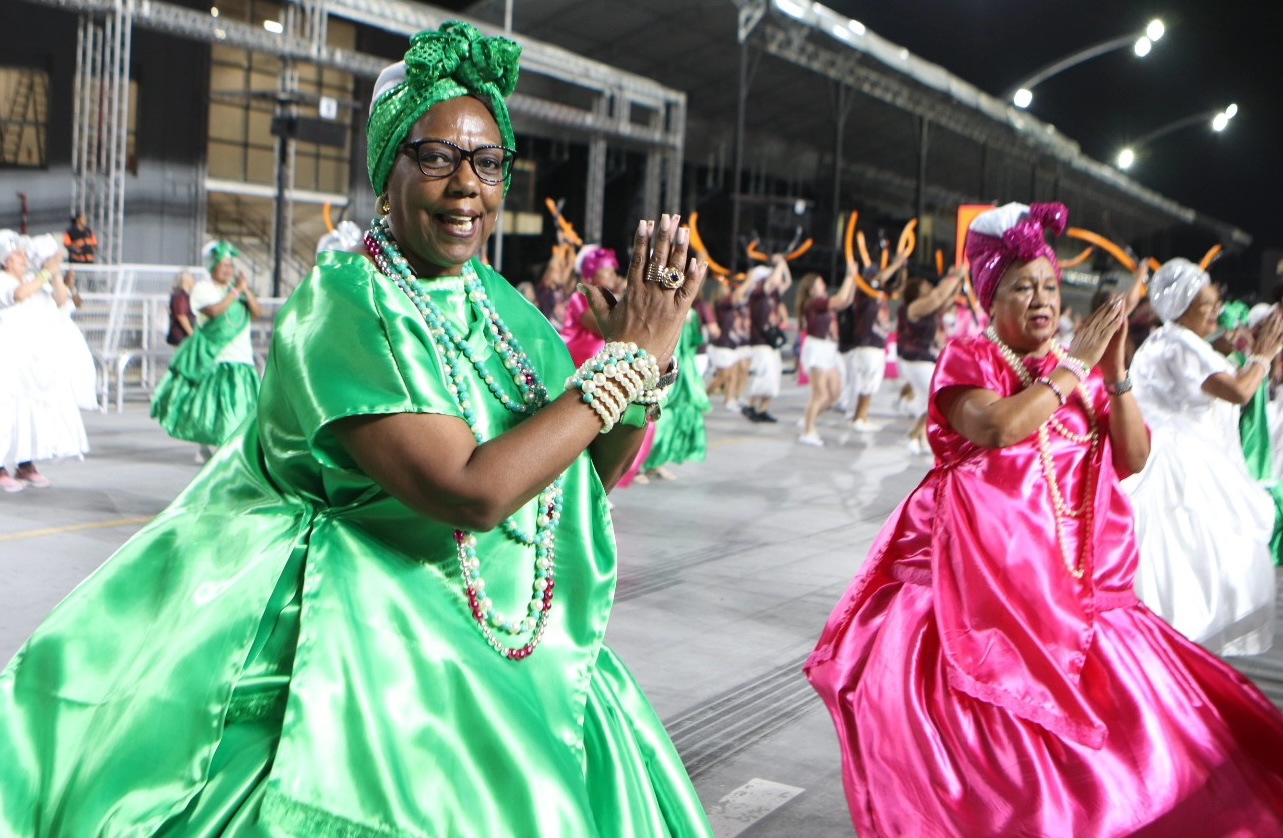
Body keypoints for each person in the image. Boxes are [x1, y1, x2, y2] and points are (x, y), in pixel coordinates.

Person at [0, 23, 713, 836]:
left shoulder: (507, 311)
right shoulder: (344, 301)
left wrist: (642, 376)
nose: (465, 187)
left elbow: (578, 477)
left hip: (507, 644)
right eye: (436, 157)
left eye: (487, 162)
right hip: (364, 656)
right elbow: (469, 492)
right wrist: (621, 364)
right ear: (387, 171)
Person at [806, 202, 1283, 837]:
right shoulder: (969, 357)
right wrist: (1075, 367)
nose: (1042, 300)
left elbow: (1133, 458)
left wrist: (1113, 377)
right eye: (1022, 287)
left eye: (1050, 287)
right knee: (981, 742)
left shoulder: (1076, 367)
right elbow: (998, 427)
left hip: (1075, 588)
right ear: (989, 299)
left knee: (1136, 740)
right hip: (973, 588)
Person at [1124, 258, 1282, 655]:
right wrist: (1263, 355)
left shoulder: (1168, 340)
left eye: (1216, 304)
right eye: (1206, 306)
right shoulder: (1179, 344)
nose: (1216, 312)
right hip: (1180, 468)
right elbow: (1239, 391)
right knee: (1191, 562)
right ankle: (1180, 649)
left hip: (1172, 459)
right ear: (1181, 306)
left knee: (1186, 564)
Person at [150, 240, 263, 462]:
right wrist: (236, 291)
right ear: (212, 266)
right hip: (217, 358)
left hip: (243, 359)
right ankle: (219, 450)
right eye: (223, 265)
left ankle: (229, 451)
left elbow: (258, 312)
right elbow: (213, 312)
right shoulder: (203, 288)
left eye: (231, 265)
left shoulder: (236, 289)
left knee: (243, 411)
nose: (228, 269)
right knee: (220, 410)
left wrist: (245, 290)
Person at [0, 230, 90, 492]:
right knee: (5, 412)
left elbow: (61, 300)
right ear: (5, 260)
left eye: (24, 255)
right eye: (17, 255)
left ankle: (26, 465)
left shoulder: (34, 279)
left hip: (31, 361)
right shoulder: (5, 281)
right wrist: (43, 274)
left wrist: (56, 275)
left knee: (28, 412)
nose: (23, 259)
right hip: (8, 358)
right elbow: (18, 295)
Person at [896, 265, 963, 454]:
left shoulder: (929, 306)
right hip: (918, 361)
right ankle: (913, 435)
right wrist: (953, 278)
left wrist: (956, 279)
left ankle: (923, 440)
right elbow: (939, 296)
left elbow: (947, 297)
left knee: (926, 403)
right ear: (917, 291)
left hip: (923, 360)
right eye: (925, 285)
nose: (929, 285)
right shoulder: (915, 306)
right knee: (935, 401)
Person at [836, 255, 905, 432]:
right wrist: (896, 263)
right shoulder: (865, 289)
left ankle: (862, 416)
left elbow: (899, 288)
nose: (878, 278)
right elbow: (882, 278)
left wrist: (902, 269)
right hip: (867, 342)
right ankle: (859, 417)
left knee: (872, 383)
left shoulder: (879, 292)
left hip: (877, 342)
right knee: (867, 382)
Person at [641, 304, 711, 478]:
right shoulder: (659, 310)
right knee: (654, 416)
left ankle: (656, 462)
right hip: (662, 368)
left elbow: (695, 342)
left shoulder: (692, 314)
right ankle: (636, 467)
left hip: (683, 372)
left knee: (671, 418)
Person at [796, 263, 858, 447]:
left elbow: (845, 301)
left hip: (829, 349)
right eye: (820, 283)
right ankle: (808, 431)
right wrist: (849, 276)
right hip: (817, 348)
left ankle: (809, 417)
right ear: (811, 288)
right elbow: (840, 299)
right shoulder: (813, 303)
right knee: (819, 393)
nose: (823, 285)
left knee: (834, 393)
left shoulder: (823, 303)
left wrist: (854, 279)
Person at [743, 255, 792, 423]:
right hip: (760, 341)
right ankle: (750, 406)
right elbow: (775, 280)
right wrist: (780, 263)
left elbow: (787, 282)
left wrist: (783, 264)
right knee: (765, 375)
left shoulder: (771, 295)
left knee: (774, 375)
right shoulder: (758, 293)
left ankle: (762, 409)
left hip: (770, 342)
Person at [166, 271, 196, 346]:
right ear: (186, 281)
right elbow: (181, 316)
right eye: (192, 278)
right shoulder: (180, 296)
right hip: (181, 338)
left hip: (184, 338)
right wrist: (192, 334)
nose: (194, 281)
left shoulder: (186, 296)